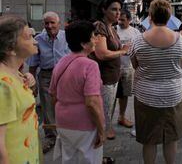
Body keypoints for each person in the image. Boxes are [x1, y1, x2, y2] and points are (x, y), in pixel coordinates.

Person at [130, 0, 182, 164]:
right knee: (171, 138)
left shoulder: (138, 39)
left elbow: (135, 65)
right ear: (169, 17)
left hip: (146, 96)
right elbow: (180, 65)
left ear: (150, 16)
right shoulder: (179, 39)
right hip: (173, 95)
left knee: (149, 140)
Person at [49, 21, 106, 164]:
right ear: (83, 43)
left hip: (63, 122)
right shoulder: (90, 65)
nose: (96, 40)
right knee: (89, 159)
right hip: (85, 123)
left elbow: (53, 95)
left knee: (68, 159)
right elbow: (91, 103)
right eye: (93, 36)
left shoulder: (61, 62)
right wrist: (101, 129)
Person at [27, 11, 71, 152]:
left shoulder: (67, 37)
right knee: (47, 107)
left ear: (59, 24)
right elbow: (33, 63)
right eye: (47, 23)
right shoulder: (38, 39)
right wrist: (32, 84)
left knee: (66, 105)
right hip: (46, 75)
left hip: (65, 74)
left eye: (53, 22)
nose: (50, 25)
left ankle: (66, 136)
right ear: (43, 24)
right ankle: (51, 137)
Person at [0, 15, 40, 164]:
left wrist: (29, 81)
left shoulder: (16, 73)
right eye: (29, 37)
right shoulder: (3, 85)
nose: (35, 41)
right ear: (10, 48)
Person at [89, 0, 130, 140]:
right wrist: (123, 51)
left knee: (108, 112)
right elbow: (101, 54)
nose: (118, 13)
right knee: (103, 114)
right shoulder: (100, 26)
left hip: (112, 77)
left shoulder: (111, 28)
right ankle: (98, 149)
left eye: (119, 10)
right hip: (104, 78)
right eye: (114, 9)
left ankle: (103, 137)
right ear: (103, 10)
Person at [115, 10, 140, 129]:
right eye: (119, 19)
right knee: (112, 94)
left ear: (129, 20)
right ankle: (108, 122)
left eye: (123, 20)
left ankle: (121, 116)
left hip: (128, 68)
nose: (120, 22)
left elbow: (139, 48)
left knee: (124, 94)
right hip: (114, 68)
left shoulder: (135, 32)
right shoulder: (113, 30)